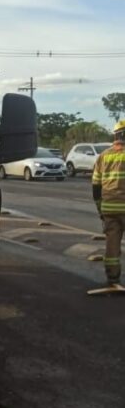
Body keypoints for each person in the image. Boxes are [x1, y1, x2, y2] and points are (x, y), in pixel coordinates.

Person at [92, 119, 125, 287]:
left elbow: (96, 186)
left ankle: (112, 278)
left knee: (112, 245)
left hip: (109, 207)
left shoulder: (104, 156)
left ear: (116, 135)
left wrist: (100, 208)